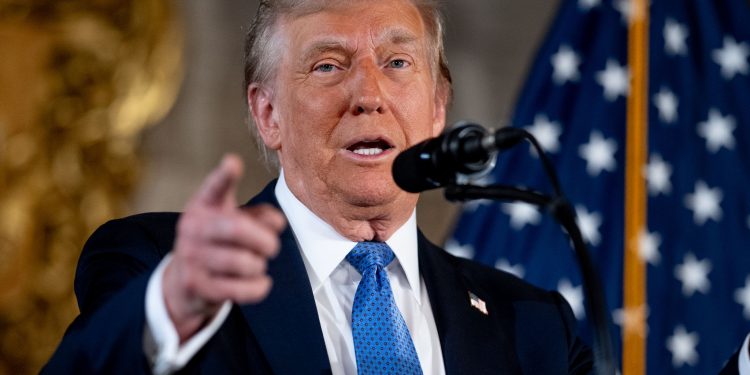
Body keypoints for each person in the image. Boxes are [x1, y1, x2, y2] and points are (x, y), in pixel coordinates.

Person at [42, 0, 747, 374]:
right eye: (327, 65)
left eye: (398, 61)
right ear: (266, 112)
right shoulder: (156, 265)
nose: (368, 94)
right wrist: (169, 306)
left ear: (438, 108)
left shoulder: (529, 326)